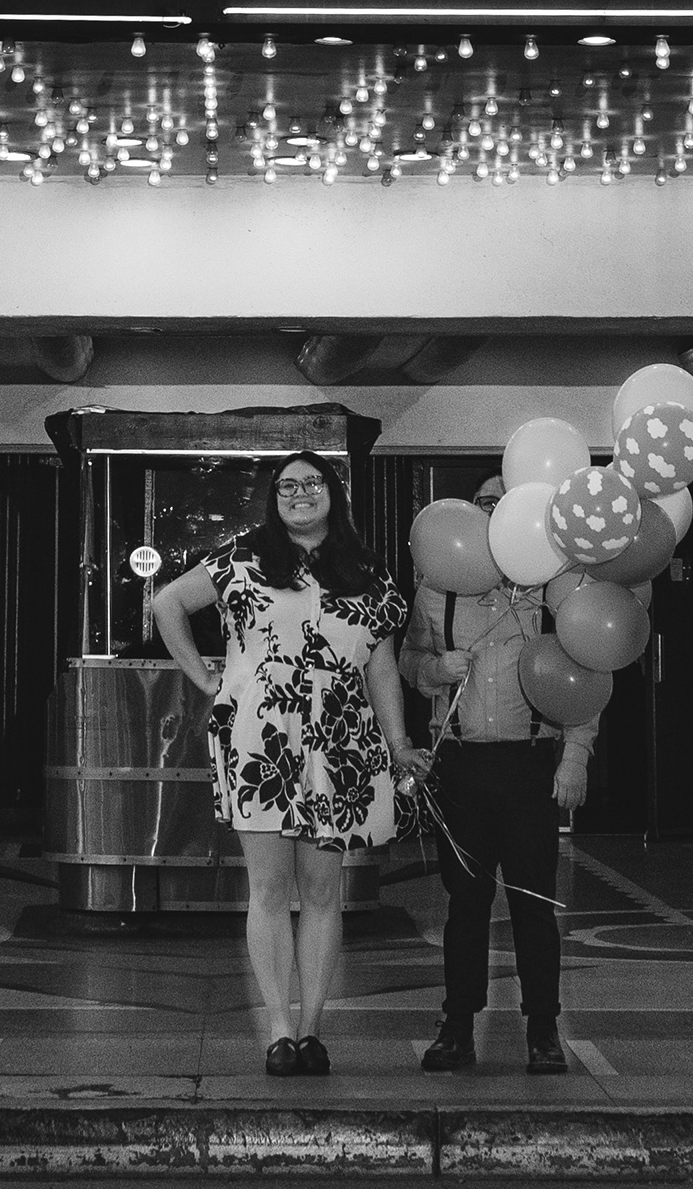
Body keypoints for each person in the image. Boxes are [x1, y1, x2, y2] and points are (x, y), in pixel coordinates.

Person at [149, 453, 418, 1079]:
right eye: (286, 486)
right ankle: (278, 1030)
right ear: (274, 499)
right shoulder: (242, 559)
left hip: (341, 741)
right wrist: (204, 676)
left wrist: (400, 743)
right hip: (260, 741)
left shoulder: (368, 573)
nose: (299, 494)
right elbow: (167, 603)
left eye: (311, 483)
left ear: (332, 493)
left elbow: (381, 668)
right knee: (269, 888)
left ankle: (312, 1029)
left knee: (324, 892)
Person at [403, 473, 595, 1074]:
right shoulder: (437, 588)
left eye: (504, 503)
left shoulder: (554, 589)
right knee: (465, 904)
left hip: (530, 765)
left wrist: (575, 756)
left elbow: (587, 671)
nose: (494, 514)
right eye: (485, 503)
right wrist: (433, 670)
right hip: (461, 766)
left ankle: (543, 1028)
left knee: (533, 904)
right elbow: (407, 658)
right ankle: (457, 1026)